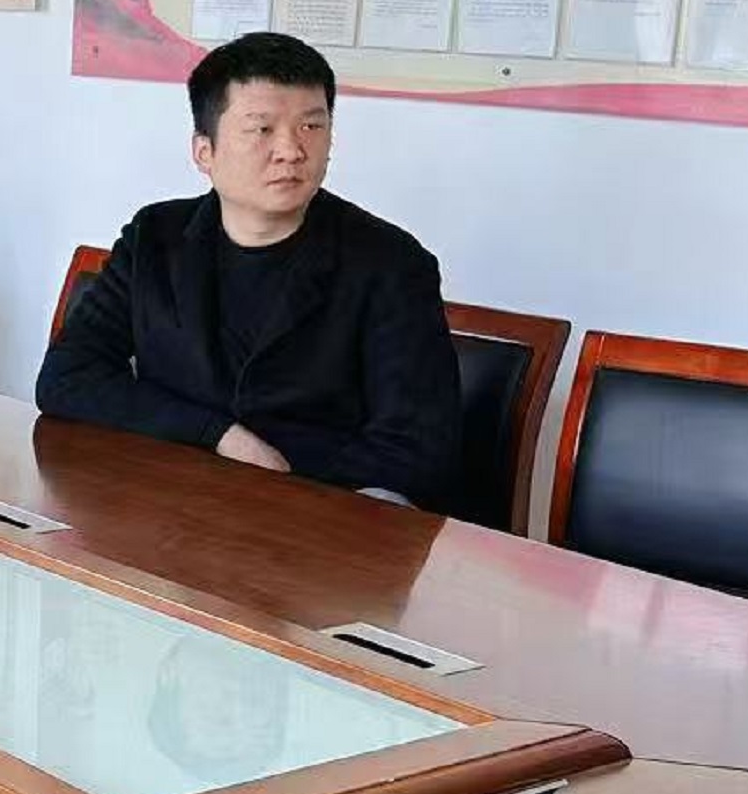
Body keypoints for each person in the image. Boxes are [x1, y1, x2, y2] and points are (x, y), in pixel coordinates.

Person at [36, 30, 459, 507]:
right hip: (171, 507)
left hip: (317, 514)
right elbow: (67, 378)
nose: (291, 150)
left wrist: (268, 472)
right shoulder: (155, 237)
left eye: (311, 126)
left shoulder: (391, 263)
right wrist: (216, 434)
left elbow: (417, 454)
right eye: (262, 129)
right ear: (204, 151)